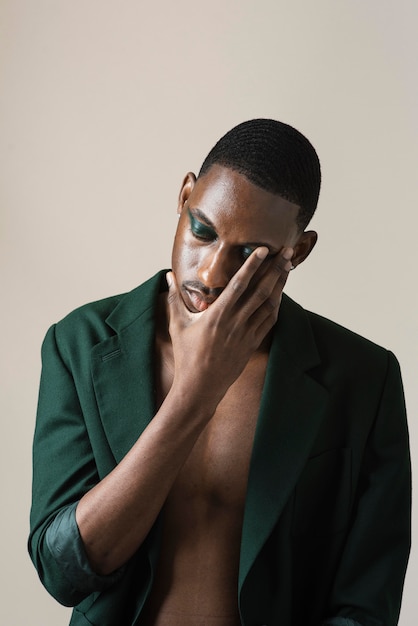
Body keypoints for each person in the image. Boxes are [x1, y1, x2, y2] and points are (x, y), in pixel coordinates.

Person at [29, 119, 411, 626]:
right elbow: (63, 572)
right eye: (202, 231)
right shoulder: (79, 343)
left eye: (251, 254)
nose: (210, 273)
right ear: (185, 196)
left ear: (296, 252)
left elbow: (365, 606)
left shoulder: (364, 377)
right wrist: (196, 392)